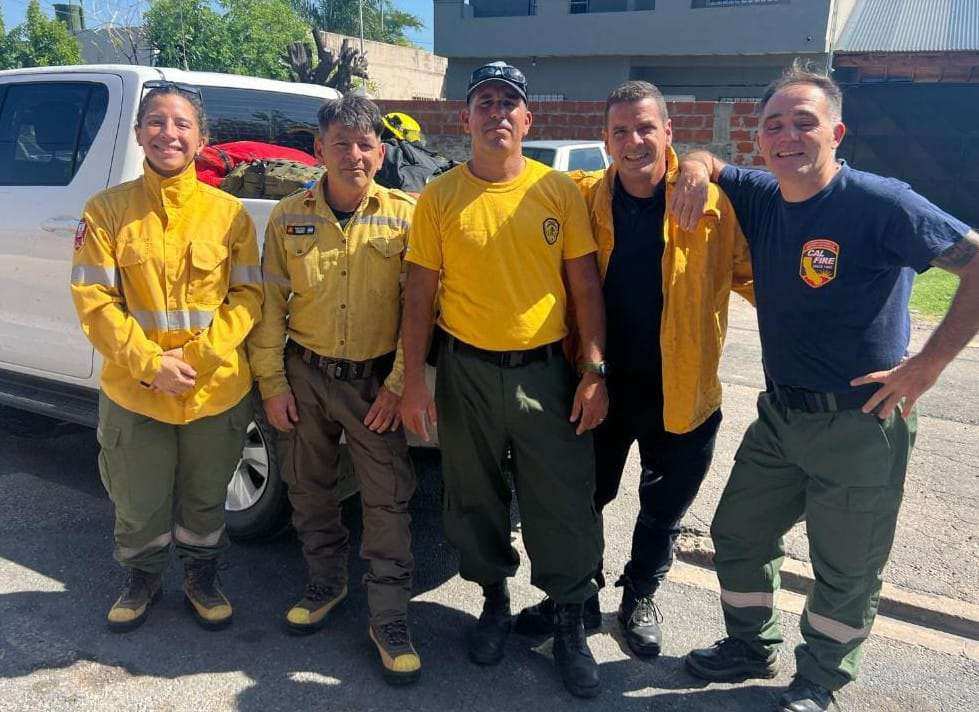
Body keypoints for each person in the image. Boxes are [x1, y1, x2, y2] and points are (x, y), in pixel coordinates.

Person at [673, 63, 979, 712]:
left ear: (835, 132)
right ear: (758, 139)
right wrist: (697, 170)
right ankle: (749, 645)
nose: (786, 134)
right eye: (772, 124)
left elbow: (976, 261)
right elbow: (700, 153)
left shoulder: (880, 202)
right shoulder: (760, 193)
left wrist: (924, 366)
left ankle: (819, 681)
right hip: (780, 416)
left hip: (859, 421)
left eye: (803, 122)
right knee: (737, 532)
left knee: (843, 569)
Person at [513, 80, 754, 660]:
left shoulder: (715, 207)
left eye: (646, 127)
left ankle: (640, 594)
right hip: (598, 383)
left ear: (669, 132)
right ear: (604, 141)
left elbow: (762, 282)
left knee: (664, 509)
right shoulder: (579, 198)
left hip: (684, 390)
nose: (634, 140)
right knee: (582, 499)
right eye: (620, 130)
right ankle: (579, 594)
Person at [399, 61, 608, 699]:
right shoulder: (439, 197)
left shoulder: (558, 192)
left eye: (509, 103)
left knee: (562, 501)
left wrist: (595, 368)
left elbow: (585, 288)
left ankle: (569, 624)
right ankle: (493, 602)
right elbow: (418, 298)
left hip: (543, 373)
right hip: (464, 371)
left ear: (528, 119)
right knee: (473, 496)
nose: (497, 113)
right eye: (484, 102)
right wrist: (412, 382)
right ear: (465, 119)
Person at [70, 81, 263, 633]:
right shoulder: (106, 211)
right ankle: (141, 577)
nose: (168, 133)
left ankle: (202, 574)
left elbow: (248, 296)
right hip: (137, 389)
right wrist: (150, 363)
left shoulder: (230, 215)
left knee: (206, 499)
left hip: (213, 387)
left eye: (181, 124)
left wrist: (198, 358)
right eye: (156, 121)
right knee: (139, 500)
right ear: (138, 134)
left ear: (202, 138)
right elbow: (94, 301)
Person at [246, 95, 420, 686]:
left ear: (382, 152)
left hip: (376, 385)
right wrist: (271, 384)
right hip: (307, 374)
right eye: (340, 143)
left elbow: (422, 312)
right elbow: (270, 307)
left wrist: (400, 386)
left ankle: (390, 616)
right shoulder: (286, 216)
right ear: (318, 150)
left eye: (364, 144)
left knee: (387, 499)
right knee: (309, 487)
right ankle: (325, 581)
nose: (353, 154)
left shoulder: (405, 216)